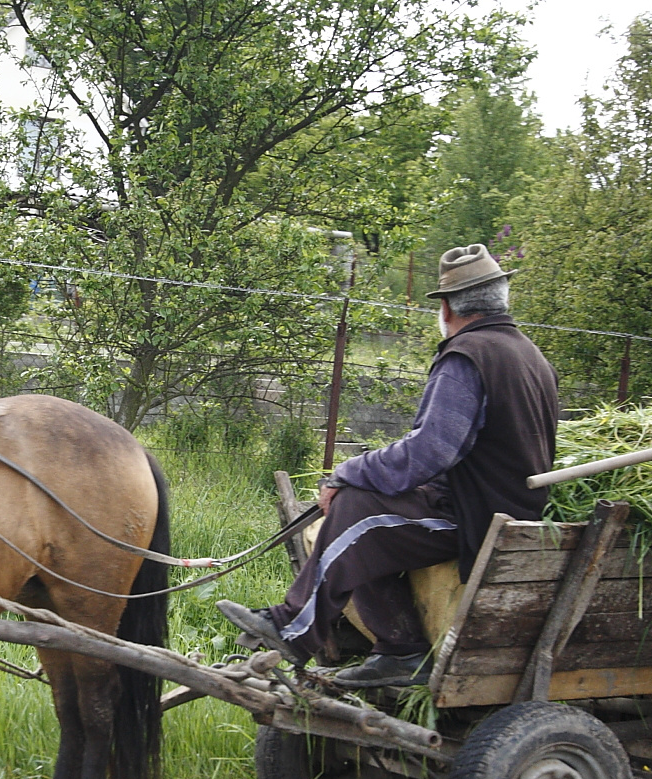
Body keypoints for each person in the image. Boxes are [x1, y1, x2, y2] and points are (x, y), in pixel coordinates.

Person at [218, 244, 559, 686]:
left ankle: (292, 627)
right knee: (365, 505)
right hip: (499, 511)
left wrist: (347, 472)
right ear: (500, 298)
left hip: (479, 520)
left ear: (447, 307)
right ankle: (401, 649)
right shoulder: (530, 356)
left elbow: (429, 452)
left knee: (357, 507)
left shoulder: (467, 357)